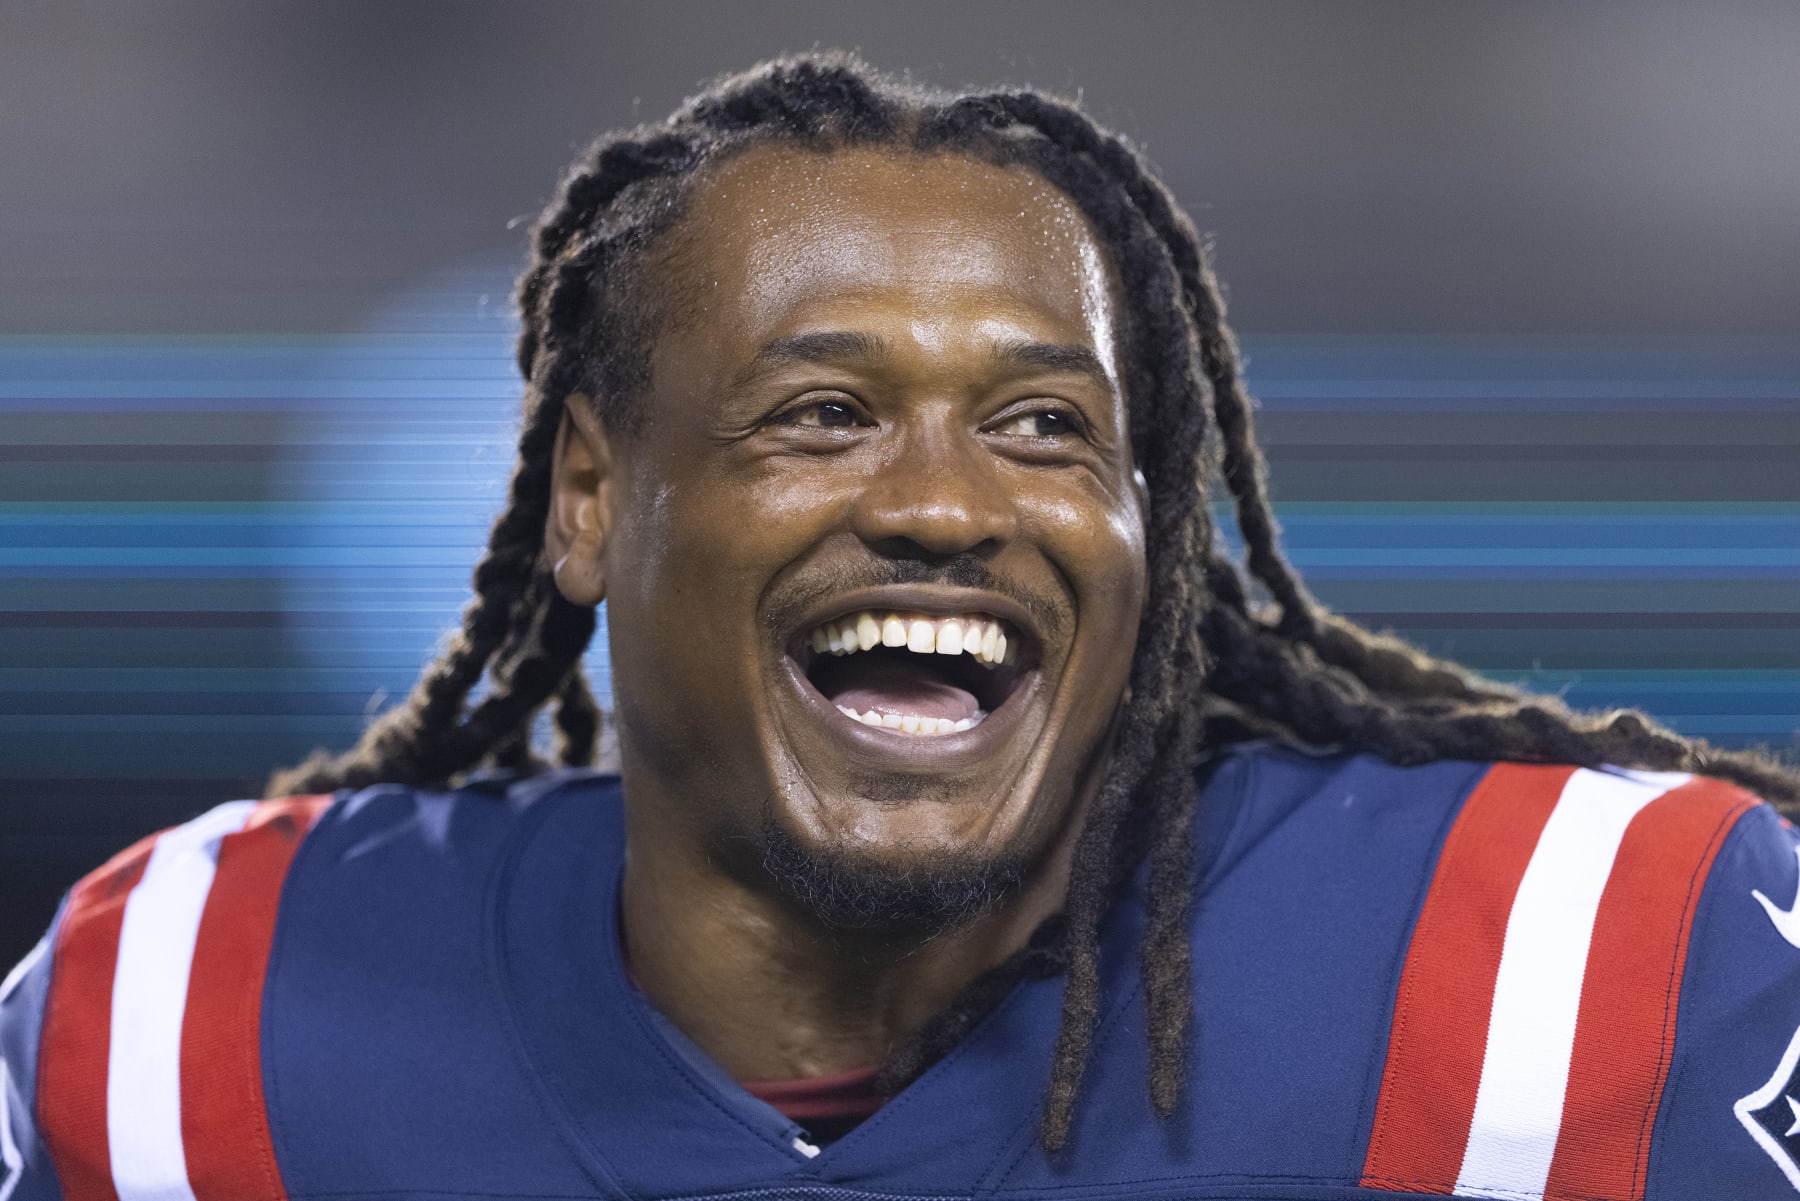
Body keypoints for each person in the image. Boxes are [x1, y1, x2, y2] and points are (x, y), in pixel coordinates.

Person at [3, 54, 1798, 1201]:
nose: (948, 505)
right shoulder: (189, 1022)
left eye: (1044, 428)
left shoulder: (1594, 965)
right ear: (588, 498)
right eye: (823, 413)